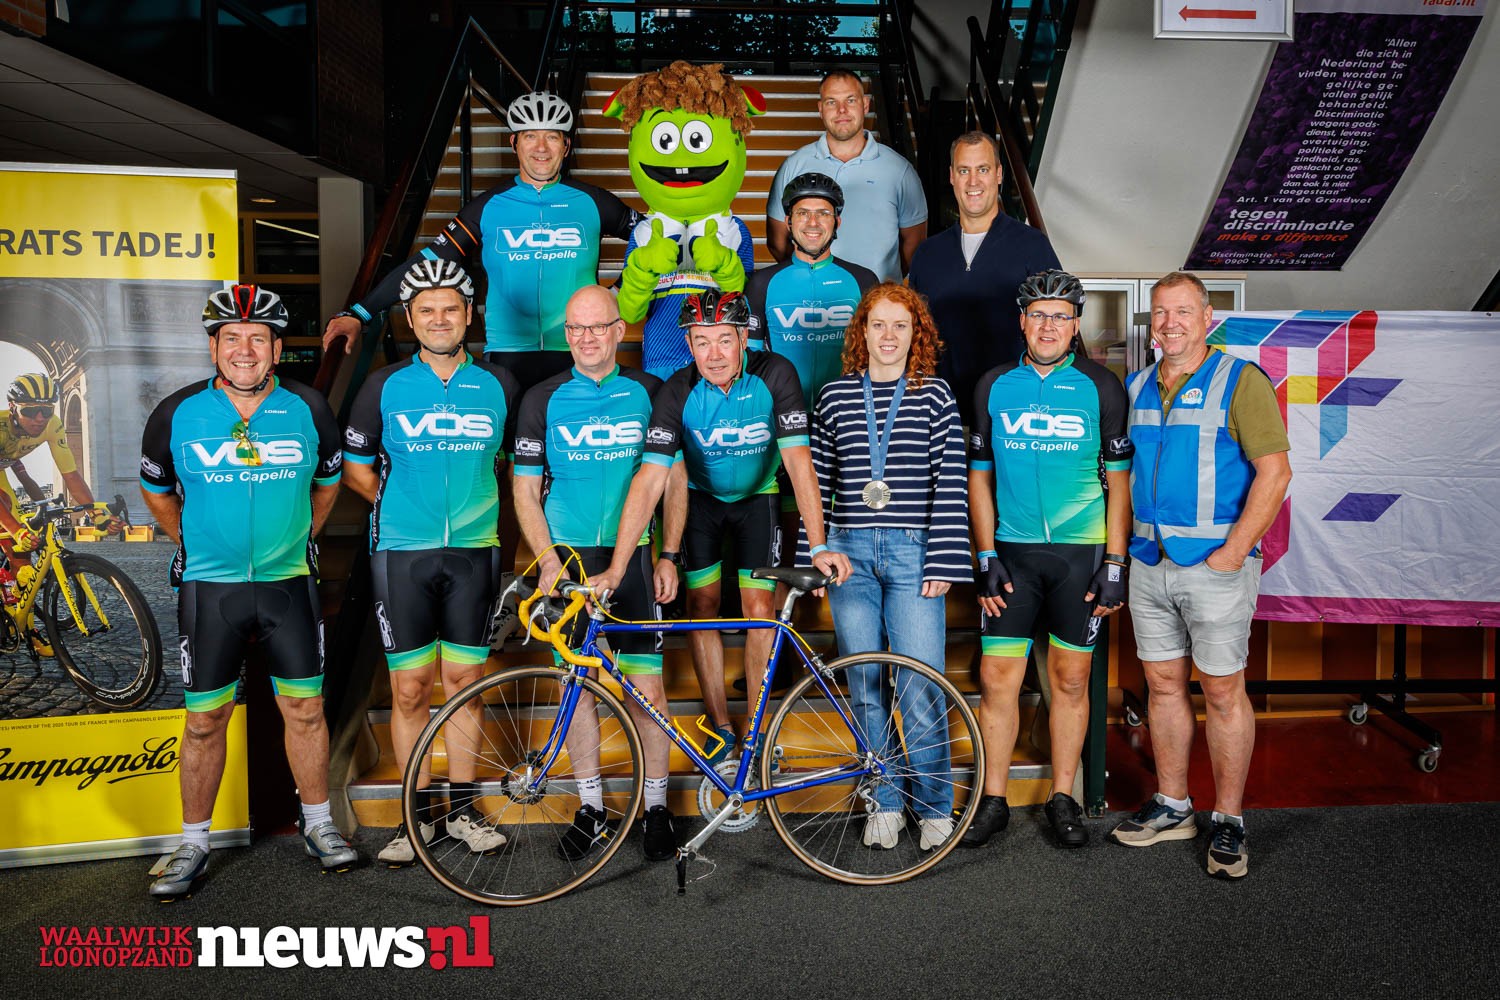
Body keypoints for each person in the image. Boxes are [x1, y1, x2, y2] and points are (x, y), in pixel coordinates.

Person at [140, 284, 354, 898]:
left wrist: (302, 537)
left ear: (277, 348)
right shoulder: (176, 413)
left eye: (257, 338)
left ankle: (319, 825)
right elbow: (157, 490)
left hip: (289, 586)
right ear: (214, 348)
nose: (244, 349)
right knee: (205, 720)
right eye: (231, 338)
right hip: (212, 590)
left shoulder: (310, 408)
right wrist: (194, 540)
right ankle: (193, 842)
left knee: (305, 709)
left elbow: (327, 482)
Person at [589, 289, 850, 766]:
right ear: (687, 343)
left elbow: (798, 462)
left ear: (744, 338)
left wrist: (819, 545)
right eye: (701, 341)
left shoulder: (776, 373)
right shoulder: (676, 390)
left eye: (724, 341)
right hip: (702, 504)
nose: (713, 354)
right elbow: (650, 480)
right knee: (702, 604)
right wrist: (618, 568)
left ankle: (756, 729)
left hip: (758, 498)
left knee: (759, 609)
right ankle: (721, 725)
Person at [1109, 271, 1291, 880]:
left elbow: (1276, 473)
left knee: (1221, 690)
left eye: (1183, 312)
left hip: (1216, 566)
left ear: (1207, 317)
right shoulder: (1136, 386)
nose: (1170, 323)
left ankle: (1230, 819)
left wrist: (1234, 553)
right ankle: (1174, 805)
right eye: (1160, 313)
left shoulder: (1241, 381)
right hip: (1149, 560)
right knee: (1162, 685)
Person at [340, 260, 519, 867]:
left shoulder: (499, 385)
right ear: (410, 319)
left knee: (465, 684)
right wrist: (400, 507)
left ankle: (466, 808)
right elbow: (356, 468)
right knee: (410, 687)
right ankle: (415, 818)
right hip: (401, 554)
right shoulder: (384, 385)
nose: (439, 319)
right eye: (426, 311)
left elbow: (519, 470)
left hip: (475, 553)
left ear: (469, 314)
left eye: (450, 308)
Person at [512, 284, 686, 863]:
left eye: (597, 327)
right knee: (576, 688)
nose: (586, 339)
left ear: (620, 330)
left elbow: (673, 481)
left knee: (647, 689)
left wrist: (669, 554)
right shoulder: (542, 397)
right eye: (575, 329)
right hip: (571, 560)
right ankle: (591, 808)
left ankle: (655, 808)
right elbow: (524, 490)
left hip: (634, 557)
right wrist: (547, 560)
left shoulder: (651, 390)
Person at [962, 270, 1133, 850]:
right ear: (1022, 321)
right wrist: (984, 554)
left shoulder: (1101, 387)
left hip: (1078, 555)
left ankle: (1064, 796)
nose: (1049, 326)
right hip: (1010, 553)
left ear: (1076, 324)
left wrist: (1115, 563)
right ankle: (993, 800)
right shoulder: (991, 386)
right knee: (997, 679)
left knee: (1071, 677)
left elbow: (1120, 484)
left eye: (1061, 316)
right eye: (1039, 315)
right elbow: (978, 479)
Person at [322, 92, 638, 392]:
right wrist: (360, 313)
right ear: (514, 143)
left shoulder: (593, 202)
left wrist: (618, 291)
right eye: (530, 136)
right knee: (510, 448)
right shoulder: (488, 207)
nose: (541, 147)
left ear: (566, 146)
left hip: (578, 349)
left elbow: (655, 237)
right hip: (507, 354)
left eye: (552, 137)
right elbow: (428, 262)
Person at [804, 282, 969, 850]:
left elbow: (950, 481)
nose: (889, 336)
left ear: (916, 334)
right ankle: (885, 799)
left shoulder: (936, 395)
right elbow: (816, 483)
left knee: (919, 682)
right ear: (863, 333)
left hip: (914, 549)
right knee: (866, 684)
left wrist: (945, 555)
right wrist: (815, 551)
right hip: (848, 552)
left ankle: (933, 805)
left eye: (901, 325)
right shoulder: (833, 397)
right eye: (879, 325)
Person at [907, 131, 1061, 427]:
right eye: (964, 170)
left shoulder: (1032, 245)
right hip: (942, 417)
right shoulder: (927, 253)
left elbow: (1055, 328)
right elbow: (915, 336)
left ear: (999, 174)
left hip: (1014, 415)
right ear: (952, 176)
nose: (973, 181)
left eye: (983, 170)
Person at [765, 70, 926, 282]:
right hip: (813, 300)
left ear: (865, 105)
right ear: (821, 109)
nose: (842, 110)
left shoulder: (900, 170)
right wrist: (807, 278)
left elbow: (915, 244)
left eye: (850, 100)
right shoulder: (794, 166)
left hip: (876, 304)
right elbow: (778, 242)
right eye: (832, 102)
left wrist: (882, 284)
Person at [0, 374, 121, 569]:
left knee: (22, 559)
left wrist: (96, 513)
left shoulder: (53, 424)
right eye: (30, 411)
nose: (40, 419)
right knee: (10, 521)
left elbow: (70, 475)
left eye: (47, 411)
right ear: (12, 407)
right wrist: (16, 531)